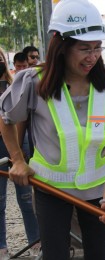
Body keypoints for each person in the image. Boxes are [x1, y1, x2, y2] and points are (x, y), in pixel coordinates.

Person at [0, 0, 105, 259]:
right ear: (60, 45)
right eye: (84, 48)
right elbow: (6, 120)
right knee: (56, 255)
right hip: (51, 190)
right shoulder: (33, 83)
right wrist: (17, 160)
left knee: (98, 254)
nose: (92, 57)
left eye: (97, 48)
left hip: (97, 193)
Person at [0, 47, 40, 260]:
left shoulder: (14, 81)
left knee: (26, 197)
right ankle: (2, 247)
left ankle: (36, 242)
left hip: (16, 140)